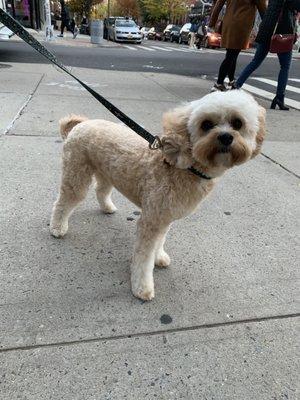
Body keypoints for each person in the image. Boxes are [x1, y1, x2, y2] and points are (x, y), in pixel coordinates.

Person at [234, 0, 300, 110]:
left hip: (267, 30)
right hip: (281, 33)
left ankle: (236, 86)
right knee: (284, 67)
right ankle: (279, 98)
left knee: (255, 62)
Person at [209, 0, 267, 91]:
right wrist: (269, 25)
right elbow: (263, 10)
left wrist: (212, 22)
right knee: (231, 55)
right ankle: (219, 83)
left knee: (232, 53)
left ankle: (231, 80)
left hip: (228, 24)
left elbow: (218, 4)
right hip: (241, 26)